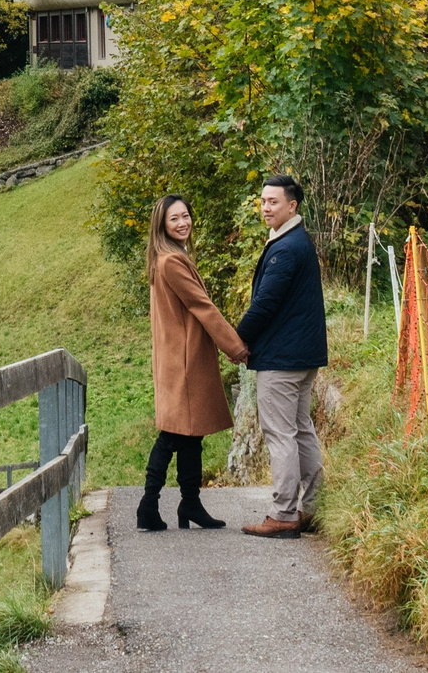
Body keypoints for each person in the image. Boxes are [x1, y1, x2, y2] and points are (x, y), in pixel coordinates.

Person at [139, 193, 248, 531]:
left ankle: (190, 504)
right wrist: (235, 346)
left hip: (180, 356)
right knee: (172, 434)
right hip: (183, 360)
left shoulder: (169, 257)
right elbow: (202, 307)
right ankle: (147, 506)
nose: (183, 222)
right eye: (175, 218)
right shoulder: (171, 261)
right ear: (162, 224)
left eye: (185, 216)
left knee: (190, 434)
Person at [230, 174, 326, 538]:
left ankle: (284, 513)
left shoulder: (286, 248)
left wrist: (237, 341)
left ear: (292, 206)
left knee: (281, 434)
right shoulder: (296, 241)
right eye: (263, 201)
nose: (266, 207)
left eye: (273, 201)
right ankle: (314, 507)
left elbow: (265, 304)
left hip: (283, 358)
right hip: (302, 355)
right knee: (301, 430)